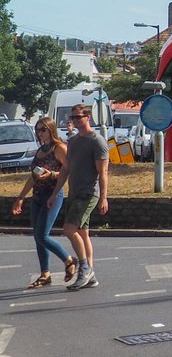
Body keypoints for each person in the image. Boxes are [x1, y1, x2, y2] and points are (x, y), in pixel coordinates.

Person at [10, 117, 77, 288]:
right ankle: (45, 273)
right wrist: (20, 198)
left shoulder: (59, 147)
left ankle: (69, 260)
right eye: (38, 130)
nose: (39, 133)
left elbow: (68, 171)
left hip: (52, 194)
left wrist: (52, 176)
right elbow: (33, 177)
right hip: (38, 195)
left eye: (43, 129)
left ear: (51, 130)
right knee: (38, 237)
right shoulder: (40, 150)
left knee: (42, 235)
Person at [51, 104, 109, 291]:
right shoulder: (74, 141)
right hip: (74, 193)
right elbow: (66, 168)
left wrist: (104, 198)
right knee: (82, 234)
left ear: (88, 117)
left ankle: (84, 268)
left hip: (88, 193)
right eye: (72, 118)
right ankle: (90, 274)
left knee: (69, 230)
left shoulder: (97, 141)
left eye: (78, 117)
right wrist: (55, 192)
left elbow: (103, 172)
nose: (75, 121)